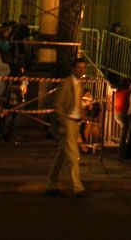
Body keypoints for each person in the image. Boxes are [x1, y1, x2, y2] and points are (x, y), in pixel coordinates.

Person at [45, 57, 87, 197]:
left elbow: (77, 103)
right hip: (68, 121)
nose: (81, 71)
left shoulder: (79, 84)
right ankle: (77, 187)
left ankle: (51, 184)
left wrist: (81, 113)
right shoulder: (66, 83)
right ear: (73, 69)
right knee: (74, 156)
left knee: (62, 156)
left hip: (75, 122)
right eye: (79, 68)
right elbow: (58, 104)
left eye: (83, 68)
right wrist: (63, 122)